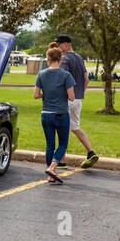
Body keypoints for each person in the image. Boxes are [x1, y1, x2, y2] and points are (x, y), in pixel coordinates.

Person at [34, 43, 76, 183]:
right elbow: (71, 97)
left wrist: (46, 94)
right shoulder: (66, 75)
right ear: (60, 58)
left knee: (49, 144)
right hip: (61, 114)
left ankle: (49, 174)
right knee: (63, 143)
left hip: (46, 114)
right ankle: (52, 167)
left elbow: (36, 94)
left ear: (48, 58)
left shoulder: (41, 74)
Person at [55, 35, 99, 168]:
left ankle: (61, 161)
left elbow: (62, 79)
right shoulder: (79, 58)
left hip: (66, 99)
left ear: (67, 44)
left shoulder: (64, 59)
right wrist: (79, 93)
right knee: (75, 127)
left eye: (59, 44)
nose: (58, 46)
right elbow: (86, 80)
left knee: (61, 129)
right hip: (78, 99)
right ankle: (91, 152)